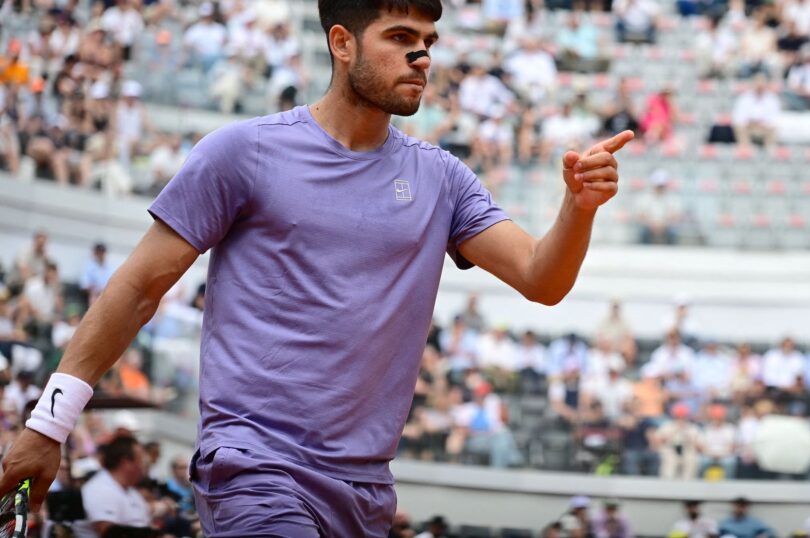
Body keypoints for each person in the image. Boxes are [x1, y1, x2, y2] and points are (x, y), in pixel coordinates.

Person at [0, 2, 635, 536]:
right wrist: (49, 422)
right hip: (255, 469)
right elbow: (138, 289)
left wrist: (578, 209)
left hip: (365, 491)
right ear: (341, 43)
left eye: (428, 42)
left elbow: (542, 280)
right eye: (400, 38)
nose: (422, 57)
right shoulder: (242, 153)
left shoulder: (442, 178)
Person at [80, 435, 153, 538]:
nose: (143, 466)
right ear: (126, 463)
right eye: (140, 460)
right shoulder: (99, 489)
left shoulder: (134, 494)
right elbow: (109, 533)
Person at [80, 242, 115, 307]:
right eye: (99, 252)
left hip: (106, 295)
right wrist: (95, 291)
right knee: (93, 298)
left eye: (102, 252)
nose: (100, 254)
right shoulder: (88, 266)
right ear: (95, 253)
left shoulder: (109, 268)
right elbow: (85, 285)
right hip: (93, 294)